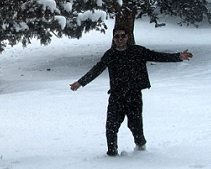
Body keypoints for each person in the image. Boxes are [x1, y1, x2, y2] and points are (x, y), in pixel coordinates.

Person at [70, 26, 193, 156]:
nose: (120, 39)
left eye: (123, 36)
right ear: (113, 39)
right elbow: (97, 69)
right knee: (111, 127)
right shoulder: (110, 55)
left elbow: (157, 56)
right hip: (116, 96)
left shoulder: (137, 51)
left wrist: (178, 57)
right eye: (117, 36)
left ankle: (141, 148)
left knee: (135, 127)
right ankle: (112, 154)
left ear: (128, 37)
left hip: (134, 96)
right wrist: (80, 83)